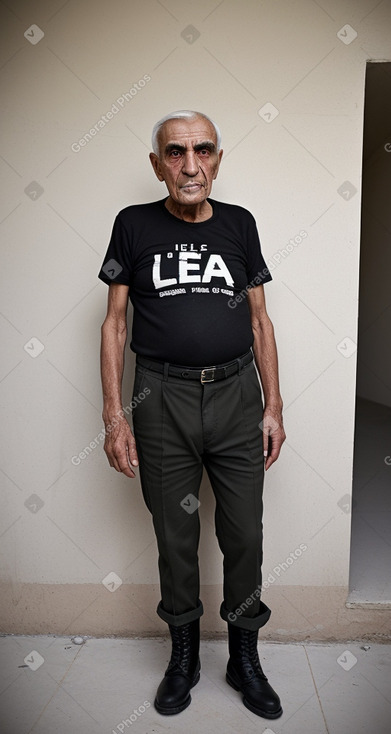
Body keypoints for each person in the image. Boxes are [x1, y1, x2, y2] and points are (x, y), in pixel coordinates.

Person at [98, 110, 286, 720]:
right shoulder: (133, 225)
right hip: (160, 400)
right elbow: (115, 322)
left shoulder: (239, 225)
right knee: (175, 539)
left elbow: (260, 320)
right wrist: (114, 416)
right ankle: (183, 659)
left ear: (218, 159)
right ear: (157, 164)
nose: (190, 164)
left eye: (202, 150)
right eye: (175, 153)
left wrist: (273, 406)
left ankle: (243, 658)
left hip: (237, 398)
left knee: (245, 535)